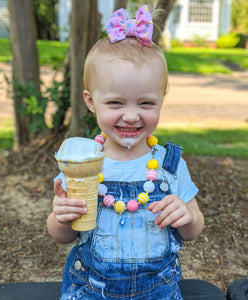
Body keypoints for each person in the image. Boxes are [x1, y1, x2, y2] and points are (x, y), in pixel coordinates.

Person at [47, 5, 204, 300]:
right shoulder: (80, 160)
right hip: (92, 289)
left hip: (159, 291)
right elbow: (61, 236)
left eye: (145, 104)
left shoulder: (170, 164)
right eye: (116, 104)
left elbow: (193, 229)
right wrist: (60, 217)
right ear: (91, 101)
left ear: (161, 101)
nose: (131, 116)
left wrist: (188, 216)